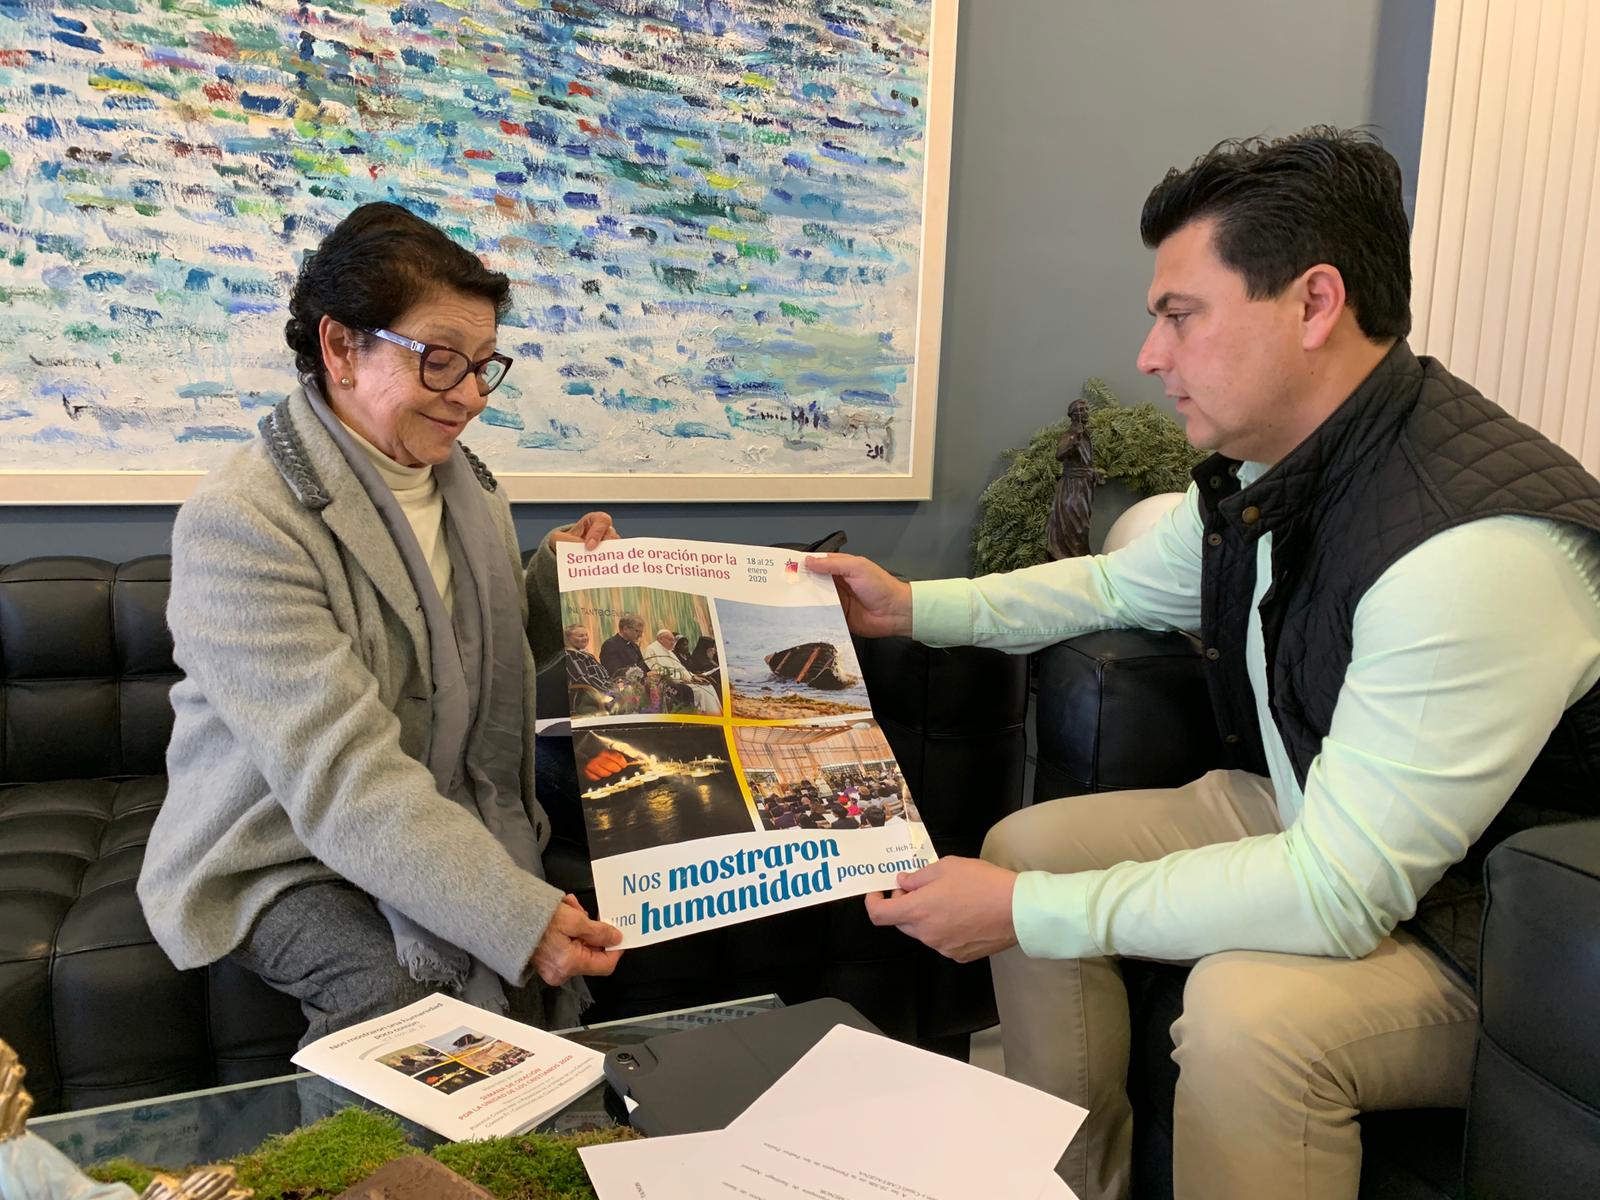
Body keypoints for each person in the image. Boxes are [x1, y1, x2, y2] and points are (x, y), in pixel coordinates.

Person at [808, 128, 1600, 1200]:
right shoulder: (1265, 472)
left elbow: (1338, 892)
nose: (1149, 355)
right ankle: (1070, 1184)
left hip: (1509, 924)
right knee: (1027, 846)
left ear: (1314, 304)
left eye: (1179, 315)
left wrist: (1026, 913)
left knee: (1243, 1019)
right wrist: (908, 607)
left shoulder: (1466, 553)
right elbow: (1113, 586)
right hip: (1327, 808)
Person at [137, 201, 626, 1047]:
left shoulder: (468, 487)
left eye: (482, 366)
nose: (469, 396)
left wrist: (561, 581)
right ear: (340, 348)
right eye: (439, 361)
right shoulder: (243, 522)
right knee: (405, 1008)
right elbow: (339, 777)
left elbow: (474, 657)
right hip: (283, 845)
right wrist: (514, 914)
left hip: (432, 802)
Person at [643, 628, 721, 713]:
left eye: (673, 640)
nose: (673, 643)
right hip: (669, 683)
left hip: (681, 680)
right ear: (661, 639)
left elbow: (680, 667)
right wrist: (681, 677)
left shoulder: (669, 652)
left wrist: (692, 676)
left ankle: (716, 714)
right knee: (701, 692)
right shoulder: (651, 650)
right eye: (670, 640)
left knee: (709, 687)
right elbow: (656, 671)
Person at [600, 613, 648, 679]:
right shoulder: (610, 645)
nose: (640, 635)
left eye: (641, 632)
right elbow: (615, 672)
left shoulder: (635, 646)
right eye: (637, 631)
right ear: (625, 629)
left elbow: (643, 667)